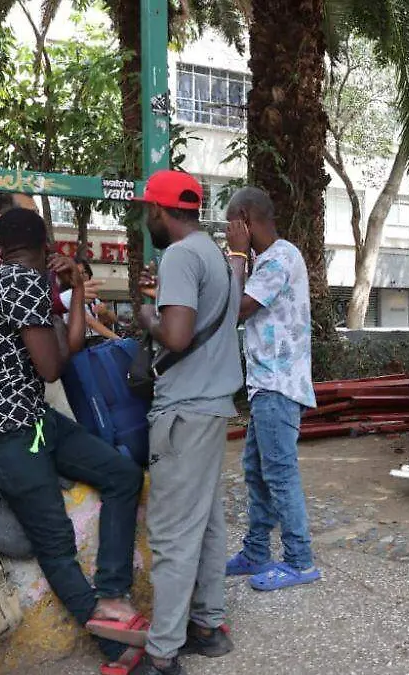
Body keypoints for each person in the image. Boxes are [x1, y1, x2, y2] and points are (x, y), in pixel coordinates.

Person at [0, 208, 147, 674]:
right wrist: (55, 289)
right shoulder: (18, 282)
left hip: (32, 419)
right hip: (2, 434)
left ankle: (114, 593)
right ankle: (114, 644)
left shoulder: (16, 280)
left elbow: (69, 347)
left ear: (2, 246)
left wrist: (76, 289)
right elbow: (53, 366)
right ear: (45, 244)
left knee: (122, 474)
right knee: (55, 542)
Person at [133, 170, 243, 675]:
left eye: (145, 211)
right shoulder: (216, 254)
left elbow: (176, 337)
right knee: (207, 521)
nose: (145, 220)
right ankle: (208, 624)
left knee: (174, 531)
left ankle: (162, 654)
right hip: (214, 404)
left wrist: (146, 316)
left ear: (159, 210)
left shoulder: (178, 255)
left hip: (184, 409)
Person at [222, 186, 321, 593]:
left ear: (245, 218)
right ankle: (256, 550)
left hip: (278, 385)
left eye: (231, 222)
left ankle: (299, 560)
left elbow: (236, 307)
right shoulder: (269, 260)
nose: (228, 231)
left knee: (279, 473)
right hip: (266, 384)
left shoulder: (280, 257)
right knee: (257, 472)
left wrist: (237, 256)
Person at [60, 259, 119, 345]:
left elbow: (114, 319)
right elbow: (90, 322)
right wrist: (118, 339)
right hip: (79, 344)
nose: (82, 276)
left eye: (84, 272)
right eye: (77, 273)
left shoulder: (92, 298)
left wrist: (105, 312)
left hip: (95, 342)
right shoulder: (68, 296)